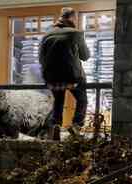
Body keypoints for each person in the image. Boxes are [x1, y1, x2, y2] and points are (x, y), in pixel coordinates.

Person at [39, 7, 90, 140]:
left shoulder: (47, 35)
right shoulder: (76, 33)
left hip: (52, 78)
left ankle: (55, 126)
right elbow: (85, 56)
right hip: (73, 77)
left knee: (58, 101)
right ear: (72, 18)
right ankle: (76, 126)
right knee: (82, 100)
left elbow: (40, 58)